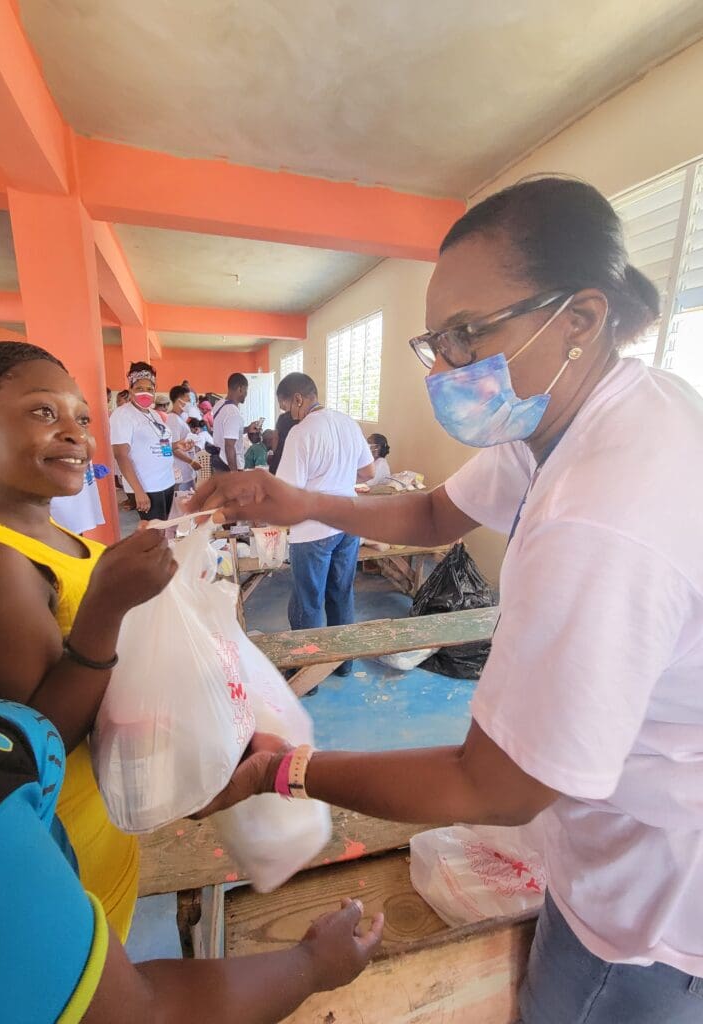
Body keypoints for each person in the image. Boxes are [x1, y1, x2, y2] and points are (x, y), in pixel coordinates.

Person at [190, 177, 703, 1023]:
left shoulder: (604, 515)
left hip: (650, 902)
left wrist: (285, 770)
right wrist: (307, 503)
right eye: (439, 342)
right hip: (624, 820)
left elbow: (492, 786)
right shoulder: (567, 415)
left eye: (470, 334)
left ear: (580, 316)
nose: (451, 367)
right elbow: (433, 512)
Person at [0, 504, 384, 1024]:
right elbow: (139, 1010)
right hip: (67, 871)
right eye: (41, 414)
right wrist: (311, 966)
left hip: (100, 853)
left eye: (80, 417)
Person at [0, 341, 177, 942]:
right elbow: (20, 754)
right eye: (44, 413)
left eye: (82, 418)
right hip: (57, 840)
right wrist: (109, 608)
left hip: (100, 814)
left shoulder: (45, 528)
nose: (76, 435)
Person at [275, 373, 374, 678]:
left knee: (309, 601)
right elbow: (368, 472)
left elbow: (286, 492)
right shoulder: (348, 423)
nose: (288, 414)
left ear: (299, 399)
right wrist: (339, 480)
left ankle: (310, 676)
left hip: (313, 530)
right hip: (348, 523)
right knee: (341, 593)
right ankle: (344, 665)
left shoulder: (301, 433)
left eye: (286, 406)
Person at [110, 362, 176, 520]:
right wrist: (138, 491)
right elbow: (120, 455)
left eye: (149, 389)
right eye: (139, 388)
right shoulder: (122, 415)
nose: (145, 393)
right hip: (148, 486)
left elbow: (161, 441)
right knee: (153, 534)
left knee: (164, 530)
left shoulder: (154, 414)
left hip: (166, 482)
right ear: (131, 390)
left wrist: (177, 446)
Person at [212, 373, 254, 472]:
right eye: (246, 390)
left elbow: (227, 432)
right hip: (228, 464)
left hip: (218, 459)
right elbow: (229, 446)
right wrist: (235, 474)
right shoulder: (233, 413)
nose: (246, 394)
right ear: (240, 389)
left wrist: (248, 429)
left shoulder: (219, 404)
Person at [166, 385, 198, 493]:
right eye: (188, 400)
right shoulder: (173, 420)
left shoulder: (179, 418)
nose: (190, 403)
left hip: (185, 469)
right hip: (180, 470)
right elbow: (173, 448)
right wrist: (191, 462)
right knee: (181, 503)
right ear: (179, 400)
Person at [270, 409, 296, 475]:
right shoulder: (300, 419)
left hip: (279, 457)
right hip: (294, 458)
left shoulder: (282, 418)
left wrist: (273, 452)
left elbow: (275, 437)